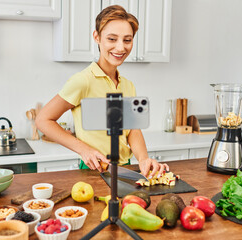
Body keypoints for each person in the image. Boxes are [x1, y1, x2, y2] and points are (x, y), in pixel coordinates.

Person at [36, 5, 169, 179]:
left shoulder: (128, 85)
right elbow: (43, 120)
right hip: (94, 169)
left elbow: (133, 129)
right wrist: (84, 149)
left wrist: (143, 159)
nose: (120, 48)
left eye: (127, 40)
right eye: (112, 39)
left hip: (125, 168)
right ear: (97, 37)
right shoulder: (83, 81)